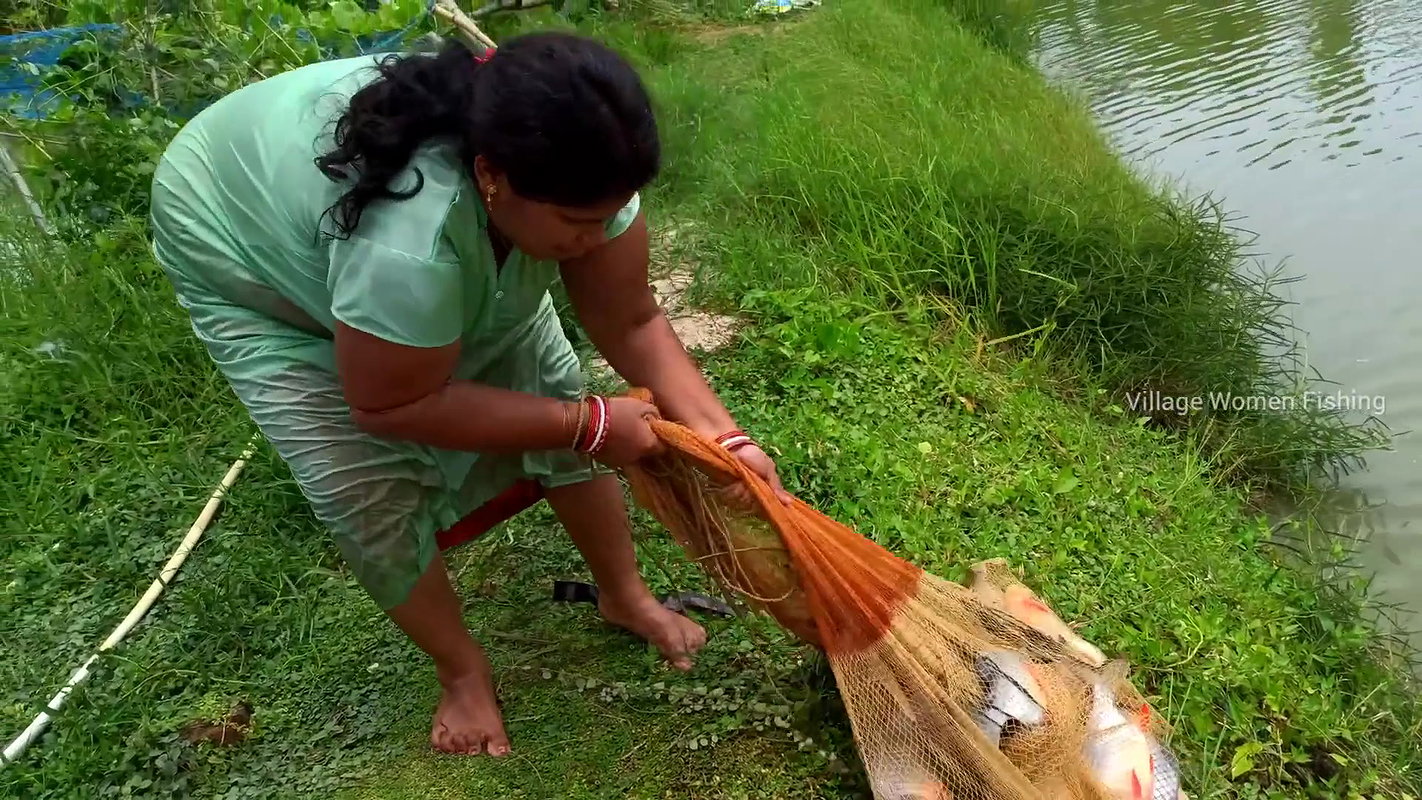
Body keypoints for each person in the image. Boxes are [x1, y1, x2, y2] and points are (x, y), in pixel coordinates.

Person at [148, 31, 790, 757]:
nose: (593, 237)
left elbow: (632, 316)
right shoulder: (407, 243)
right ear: (492, 176)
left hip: (385, 232)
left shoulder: (571, 171)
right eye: (576, 223)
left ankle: (626, 596)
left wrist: (725, 438)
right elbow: (387, 406)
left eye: (607, 216)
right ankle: (461, 671)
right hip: (241, 242)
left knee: (550, 386)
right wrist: (586, 424)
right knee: (362, 484)